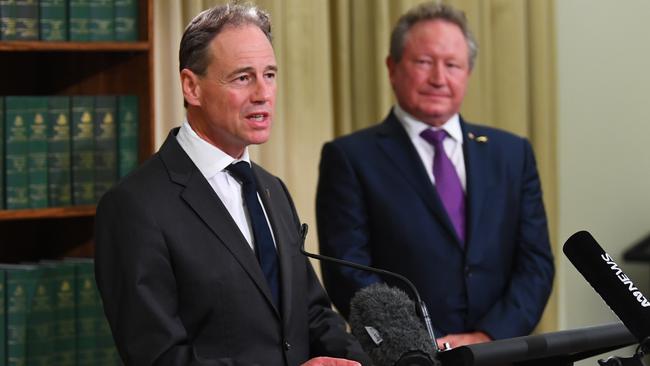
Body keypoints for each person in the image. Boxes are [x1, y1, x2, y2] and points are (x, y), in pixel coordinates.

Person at [94, 3, 369, 365]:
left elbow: (312, 315)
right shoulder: (135, 206)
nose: (263, 93)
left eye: (269, 74)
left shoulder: (272, 189)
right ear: (192, 87)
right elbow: (159, 356)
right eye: (243, 77)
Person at [316, 2, 554, 349]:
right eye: (424, 62)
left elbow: (536, 264)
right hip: (406, 356)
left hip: (502, 352)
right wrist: (425, 343)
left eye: (452, 65)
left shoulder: (512, 154)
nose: (438, 79)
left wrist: (488, 337)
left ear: (468, 73)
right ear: (392, 67)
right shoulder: (350, 158)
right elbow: (347, 272)